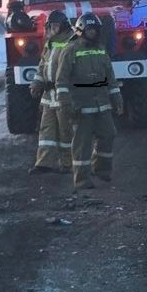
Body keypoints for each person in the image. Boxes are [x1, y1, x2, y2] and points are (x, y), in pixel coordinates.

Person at [55, 12, 123, 189]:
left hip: (102, 104)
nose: (92, 33)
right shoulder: (70, 50)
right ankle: (82, 179)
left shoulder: (101, 49)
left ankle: (102, 170)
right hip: (81, 106)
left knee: (109, 134)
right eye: (89, 29)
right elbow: (61, 81)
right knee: (82, 144)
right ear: (81, 30)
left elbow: (110, 77)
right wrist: (66, 104)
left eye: (95, 29)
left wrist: (117, 97)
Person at [28, 10, 74, 175]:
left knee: (65, 130)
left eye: (55, 26)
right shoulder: (50, 44)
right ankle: (44, 163)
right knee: (46, 130)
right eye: (50, 26)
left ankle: (68, 164)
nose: (52, 29)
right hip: (49, 95)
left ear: (63, 26)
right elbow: (43, 66)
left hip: (64, 94)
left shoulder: (73, 43)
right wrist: (36, 83)